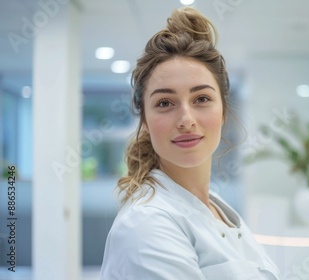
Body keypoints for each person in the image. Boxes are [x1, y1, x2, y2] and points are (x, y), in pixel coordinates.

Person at [99, 7, 281, 280]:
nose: (186, 119)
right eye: (164, 103)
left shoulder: (217, 209)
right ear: (145, 122)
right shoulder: (147, 224)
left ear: (222, 112)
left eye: (201, 99)